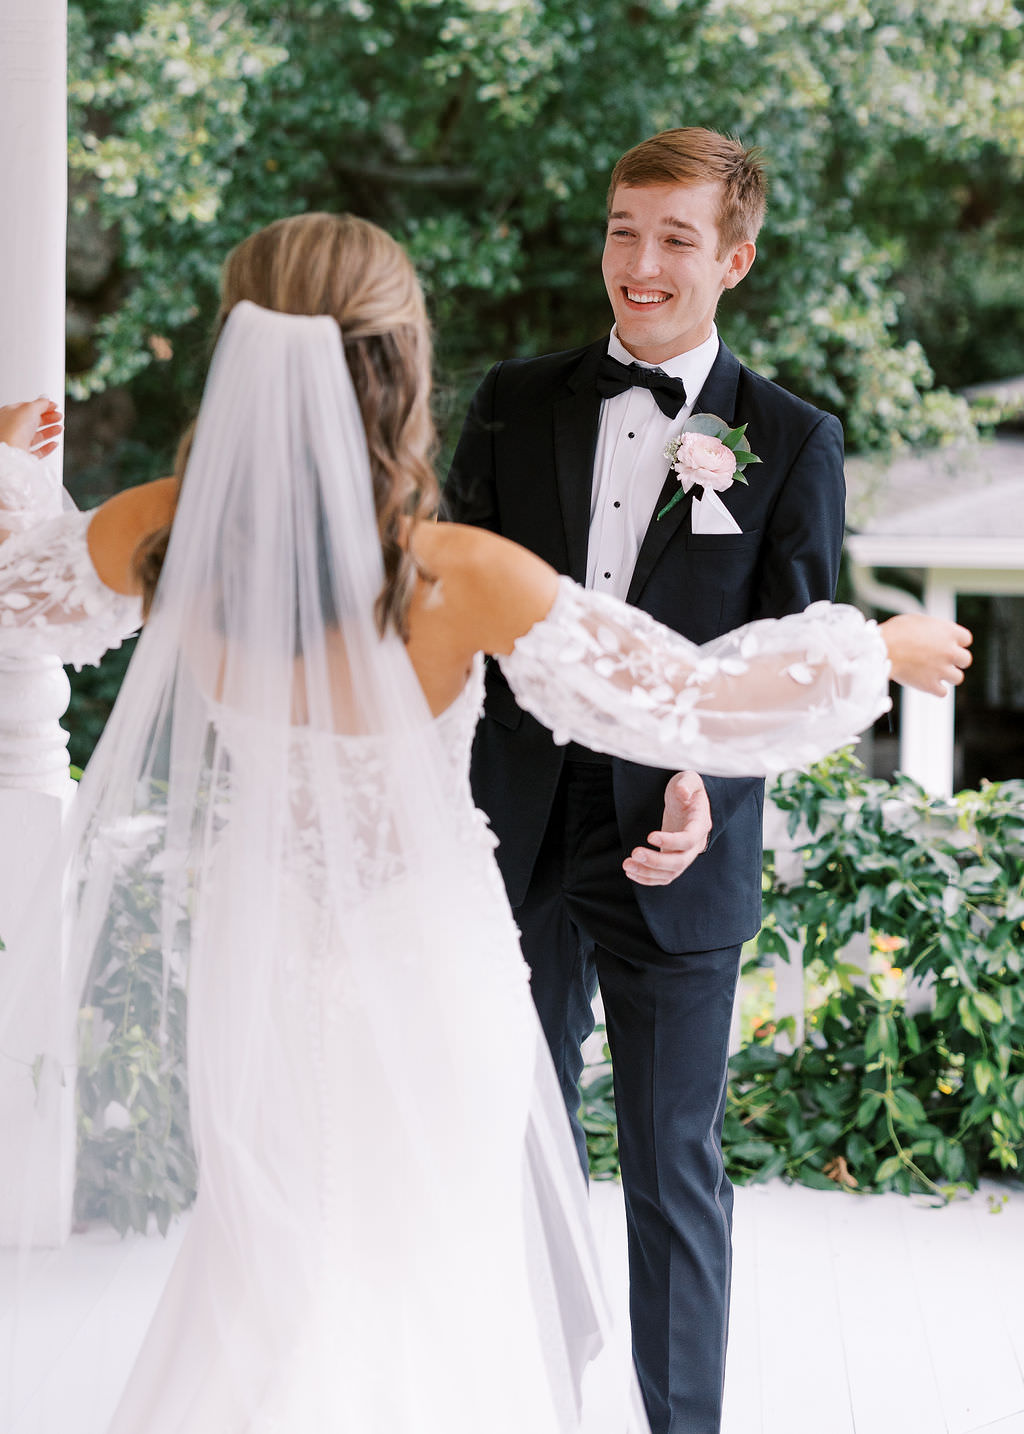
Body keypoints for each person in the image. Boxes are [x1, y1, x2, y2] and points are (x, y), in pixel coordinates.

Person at [0, 214, 970, 1434]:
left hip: (253, 963)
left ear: (237, 354)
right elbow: (695, 695)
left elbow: (14, 584)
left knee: (269, 1278)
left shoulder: (165, 533)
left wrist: (14, 473)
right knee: (438, 1287)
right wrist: (870, 644)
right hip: (423, 970)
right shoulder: (453, 575)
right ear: (399, 359)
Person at [445, 126, 871, 1433]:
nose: (642, 262)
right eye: (626, 228)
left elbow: (802, 663)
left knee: (672, 1162)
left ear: (734, 258)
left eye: (677, 237)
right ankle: (520, 1401)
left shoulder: (791, 439)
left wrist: (704, 782)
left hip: (676, 841)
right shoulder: (515, 399)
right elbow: (447, 598)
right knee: (499, 1141)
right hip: (506, 825)